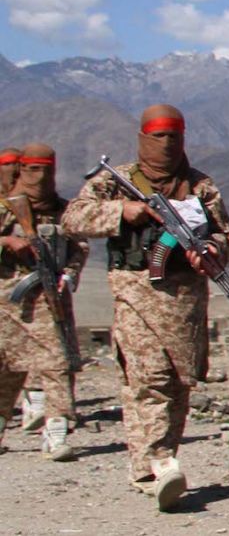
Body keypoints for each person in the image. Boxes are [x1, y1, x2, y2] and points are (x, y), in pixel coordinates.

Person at [63, 105, 229, 511]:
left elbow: (228, 235)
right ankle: (158, 464)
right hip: (134, 292)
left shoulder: (200, 186)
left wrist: (213, 250)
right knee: (148, 377)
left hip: (186, 299)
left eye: (174, 137)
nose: (166, 145)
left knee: (179, 381)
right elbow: (73, 217)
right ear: (143, 138)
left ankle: (153, 462)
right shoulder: (117, 181)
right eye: (158, 136)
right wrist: (120, 213)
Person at [0, 142, 88, 462]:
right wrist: (7, 243)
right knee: (8, 368)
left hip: (51, 300)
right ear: (21, 170)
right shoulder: (5, 208)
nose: (40, 177)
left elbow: (79, 246)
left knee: (58, 363)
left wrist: (70, 274)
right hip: (9, 302)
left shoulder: (65, 210)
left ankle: (56, 430)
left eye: (46, 170)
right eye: (32, 169)